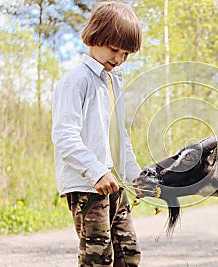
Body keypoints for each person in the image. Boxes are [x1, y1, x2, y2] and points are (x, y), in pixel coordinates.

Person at [51, 2, 142, 266]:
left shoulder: (113, 82)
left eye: (125, 54)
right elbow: (64, 136)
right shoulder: (76, 80)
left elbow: (119, 136)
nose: (118, 59)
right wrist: (95, 171)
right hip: (87, 185)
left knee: (129, 253)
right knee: (97, 259)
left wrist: (135, 177)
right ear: (95, 36)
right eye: (114, 49)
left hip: (115, 182)